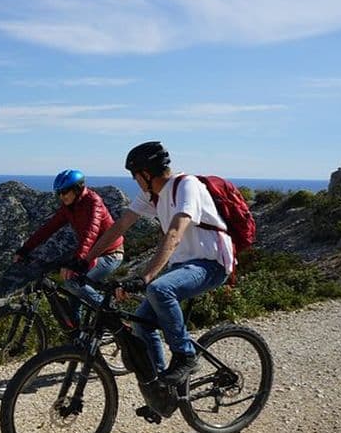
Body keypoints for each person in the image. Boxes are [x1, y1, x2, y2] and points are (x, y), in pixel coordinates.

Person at [80, 141, 233, 385]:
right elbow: (120, 226)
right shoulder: (152, 195)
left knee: (159, 289)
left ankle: (185, 356)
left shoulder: (187, 186)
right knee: (142, 325)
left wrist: (147, 276)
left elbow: (175, 232)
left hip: (211, 264)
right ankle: (161, 385)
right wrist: (85, 260)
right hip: (182, 266)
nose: (134, 181)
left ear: (145, 174)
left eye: (134, 175)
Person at [14, 169, 125, 324]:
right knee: (74, 294)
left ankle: (111, 317)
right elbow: (48, 228)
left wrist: (78, 261)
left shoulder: (93, 202)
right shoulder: (69, 207)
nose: (61, 196)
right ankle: (78, 339)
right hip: (90, 254)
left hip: (110, 253)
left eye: (65, 191)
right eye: (58, 192)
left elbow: (90, 232)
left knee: (72, 282)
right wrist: (25, 249)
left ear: (78, 189)